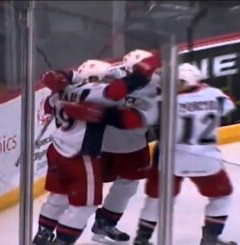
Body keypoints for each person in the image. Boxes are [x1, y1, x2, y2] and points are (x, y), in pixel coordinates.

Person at [32, 54, 161, 245]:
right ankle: (61, 241)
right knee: (85, 204)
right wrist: (140, 75)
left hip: (59, 149)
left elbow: (49, 102)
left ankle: (43, 234)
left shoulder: (68, 90)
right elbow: (116, 94)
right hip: (82, 155)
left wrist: (59, 82)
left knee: (61, 195)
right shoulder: (97, 89)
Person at [133, 63, 237, 245]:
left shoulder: (163, 102)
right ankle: (211, 239)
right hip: (207, 160)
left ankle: (142, 239)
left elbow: (140, 119)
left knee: (156, 198)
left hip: (171, 160)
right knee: (221, 196)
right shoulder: (215, 94)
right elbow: (229, 104)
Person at [90, 50, 161, 244]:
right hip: (102, 144)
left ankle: (105, 222)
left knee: (128, 186)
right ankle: (57, 227)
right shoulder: (111, 80)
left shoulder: (158, 83)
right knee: (88, 189)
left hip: (134, 145)